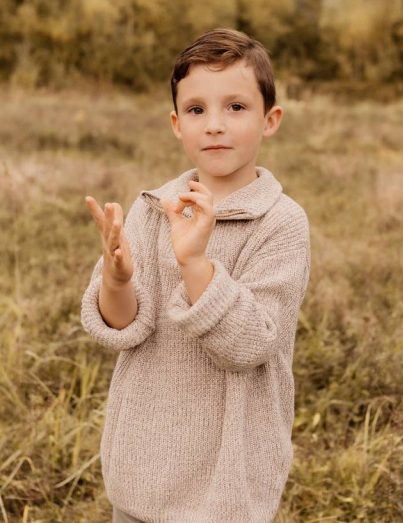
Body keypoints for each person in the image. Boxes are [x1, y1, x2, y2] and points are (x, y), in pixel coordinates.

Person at [81, 28, 312, 522]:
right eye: (196, 110)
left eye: (235, 107)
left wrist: (195, 263)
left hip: (226, 485)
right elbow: (125, 328)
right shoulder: (151, 211)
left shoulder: (279, 223)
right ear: (175, 123)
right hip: (142, 472)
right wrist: (117, 282)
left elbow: (251, 345)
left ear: (270, 120)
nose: (214, 126)